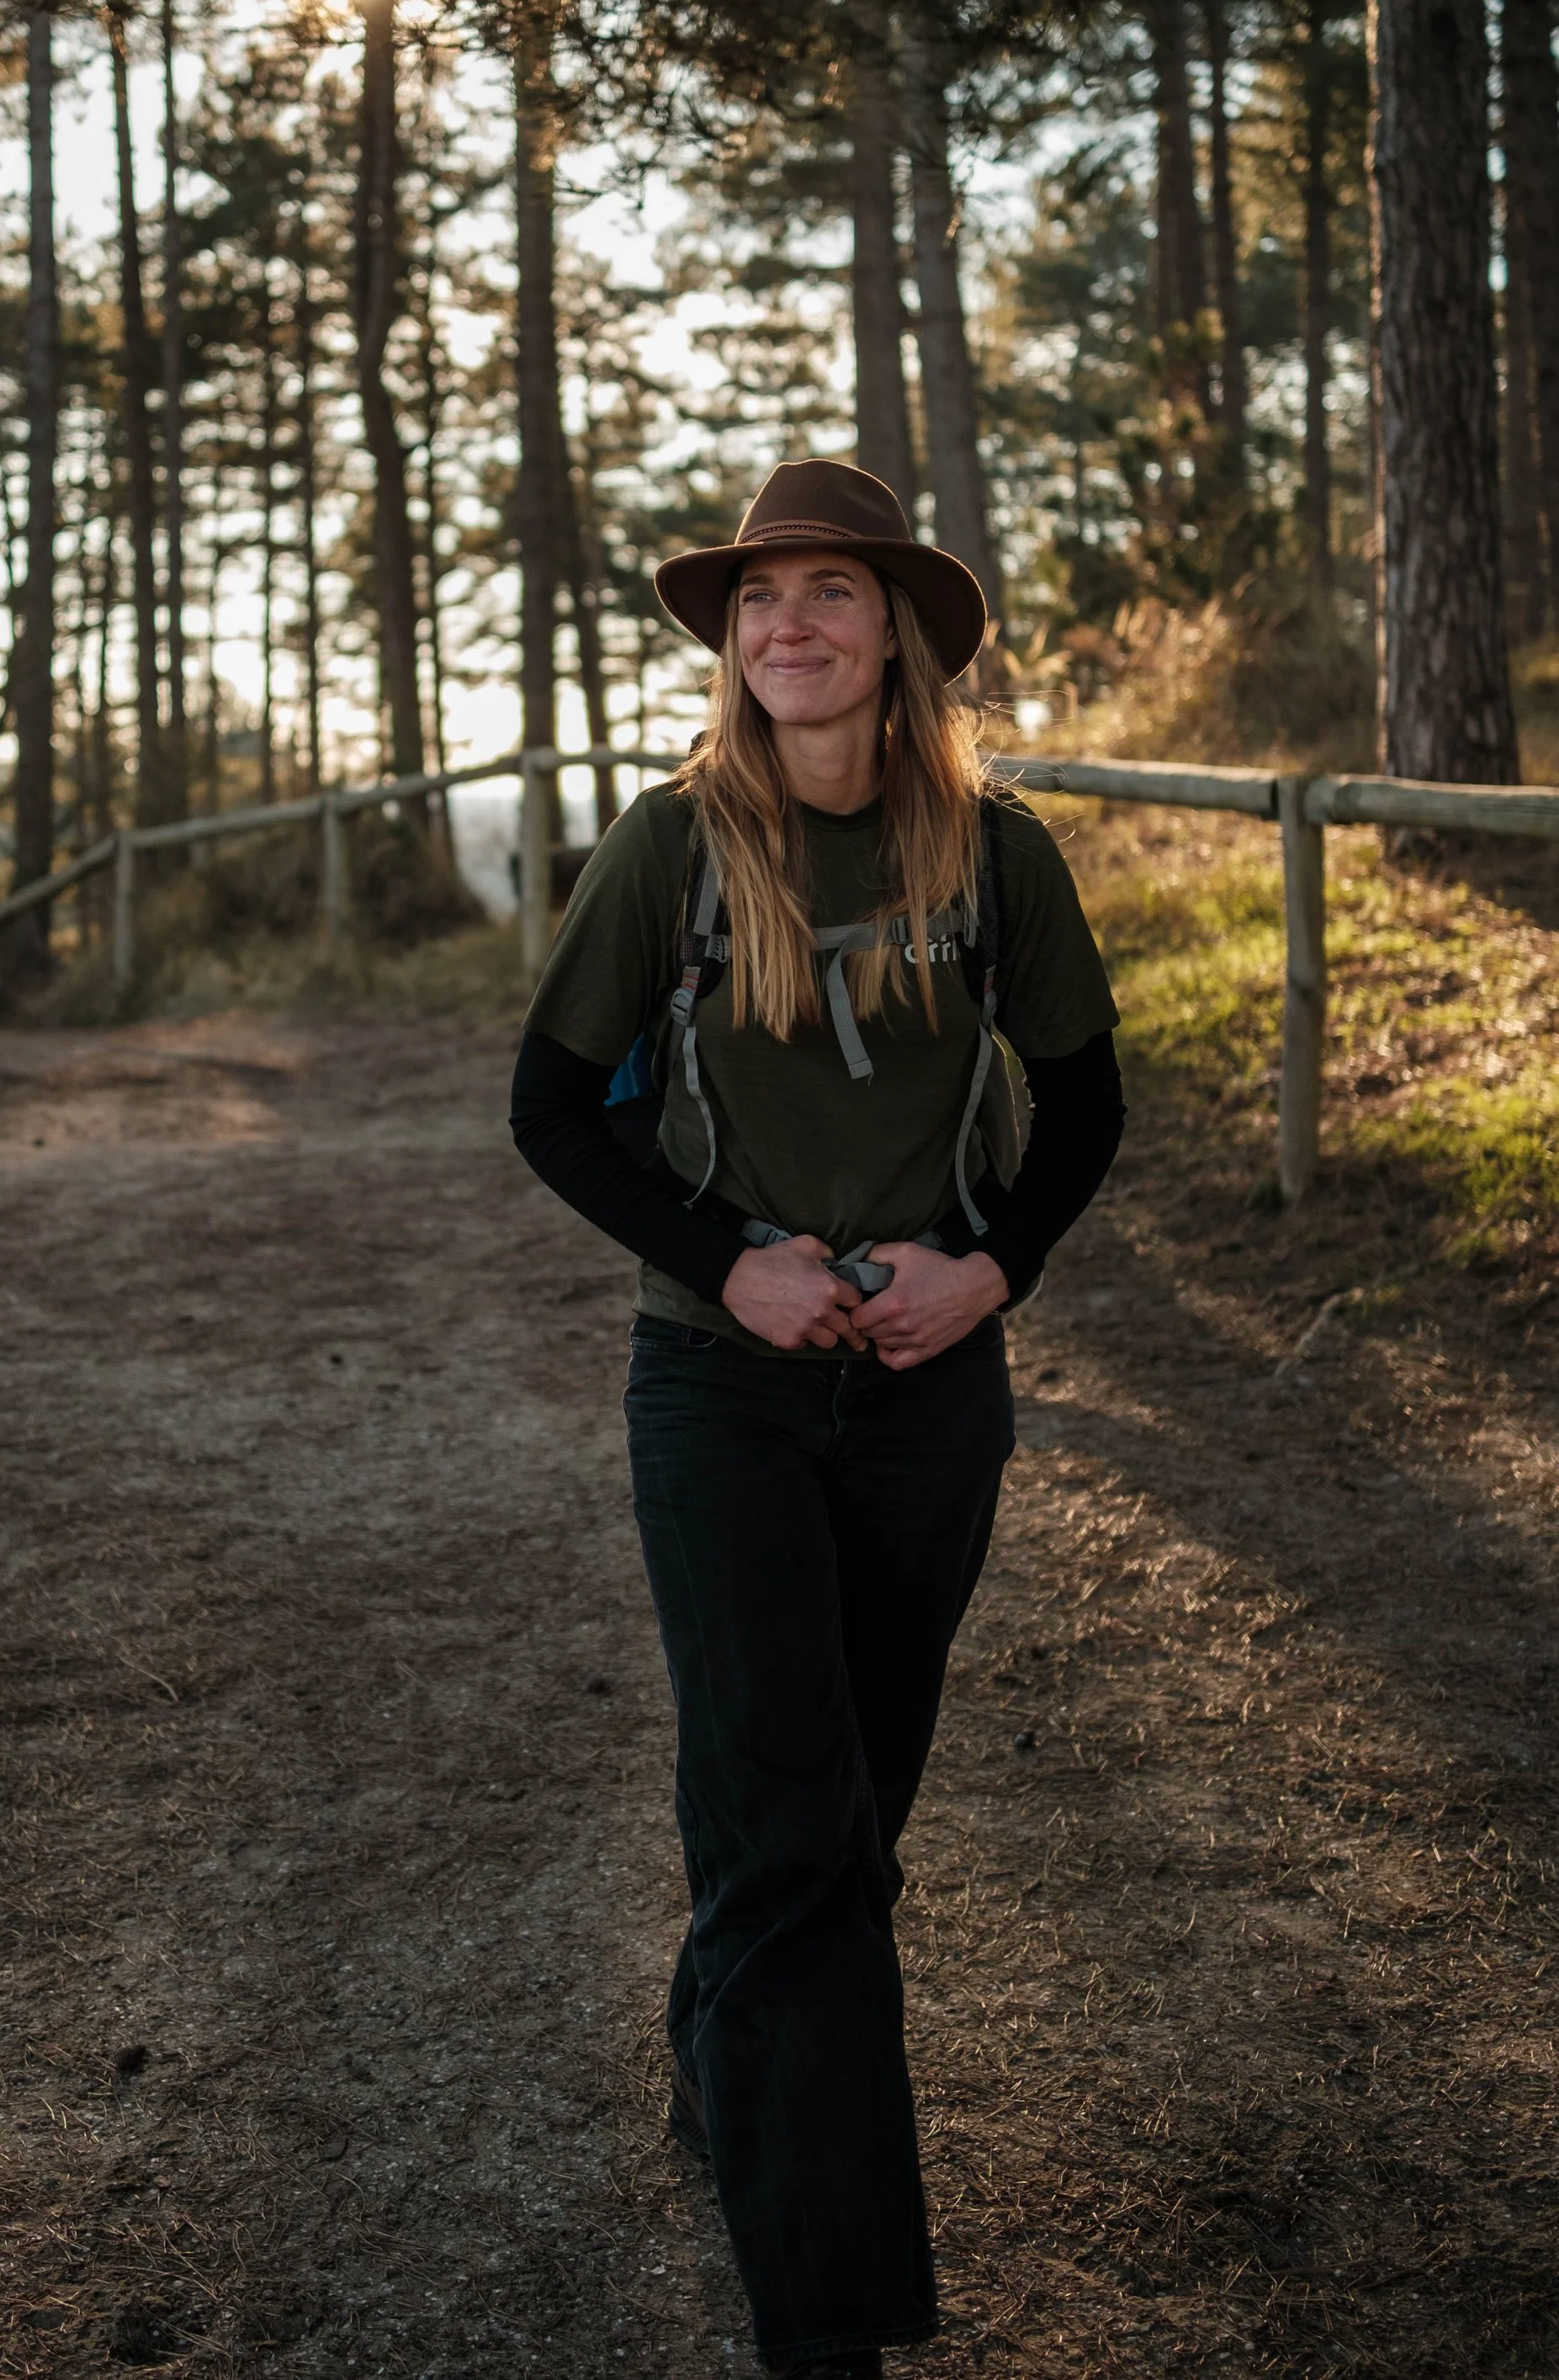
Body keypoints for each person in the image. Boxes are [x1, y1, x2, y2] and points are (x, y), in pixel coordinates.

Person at [509, 458, 1125, 2377]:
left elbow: (1082, 1102)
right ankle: (830, 2316)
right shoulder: (669, 844)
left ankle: (726, 2060)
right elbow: (549, 1104)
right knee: (786, 1824)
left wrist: (987, 1269)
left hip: (931, 1389)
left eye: (829, 595)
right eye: (760, 597)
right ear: (734, 641)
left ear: (896, 638)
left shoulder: (991, 850)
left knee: (840, 1817)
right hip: (717, 1384)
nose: (788, 625)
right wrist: (732, 1263)